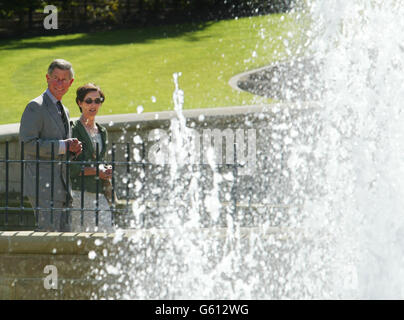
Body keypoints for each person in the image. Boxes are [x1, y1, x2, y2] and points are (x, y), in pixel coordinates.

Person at [19, 58, 82, 232]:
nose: (59, 83)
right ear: (47, 78)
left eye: (64, 79)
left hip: (62, 187)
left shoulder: (65, 110)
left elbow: (63, 148)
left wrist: (73, 150)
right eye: (55, 78)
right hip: (43, 188)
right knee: (48, 239)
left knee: (63, 242)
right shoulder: (35, 106)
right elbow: (28, 145)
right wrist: (63, 145)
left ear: (71, 82)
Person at [70, 83, 115, 232]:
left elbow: (99, 161)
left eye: (98, 100)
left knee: (108, 235)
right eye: (88, 101)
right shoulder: (74, 129)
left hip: (99, 193)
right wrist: (97, 171)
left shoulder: (102, 131)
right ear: (80, 103)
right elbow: (71, 168)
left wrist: (105, 169)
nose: (93, 105)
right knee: (82, 239)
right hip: (79, 194)